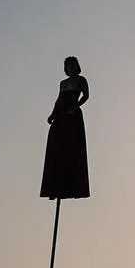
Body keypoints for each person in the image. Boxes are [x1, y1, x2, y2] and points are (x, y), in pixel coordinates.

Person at [40, 55, 91, 200]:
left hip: (72, 116)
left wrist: (76, 106)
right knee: (57, 146)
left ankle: (72, 183)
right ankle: (56, 184)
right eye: (68, 65)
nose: (70, 67)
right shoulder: (63, 83)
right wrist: (52, 114)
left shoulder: (81, 80)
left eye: (72, 64)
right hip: (61, 116)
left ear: (76, 66)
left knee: (72, 145)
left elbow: (86, 96)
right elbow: (58, 100)